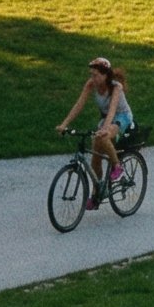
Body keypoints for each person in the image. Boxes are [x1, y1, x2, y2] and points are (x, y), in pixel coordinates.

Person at [55, 58, 136, 208]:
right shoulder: (91, 84)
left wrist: (104, 129)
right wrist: (64, 124)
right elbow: (79, 105)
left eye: (96, 75)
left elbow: (112, 110)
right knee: (95, 159)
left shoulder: (116, 87)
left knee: (104, 137)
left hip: (122, 117)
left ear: (105, 75)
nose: (93, 78)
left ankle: (117, 166)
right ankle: (96, 192)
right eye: (91, 74)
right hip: (106, 119)